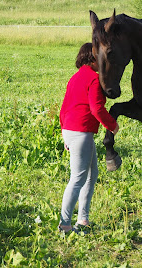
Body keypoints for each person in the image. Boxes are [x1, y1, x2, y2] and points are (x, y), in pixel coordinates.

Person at [58, 43, 119, 233]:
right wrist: (112, 125)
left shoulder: (75, 78)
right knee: (77, 179)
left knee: (92, 176)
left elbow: (64, 108)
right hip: (81, 132)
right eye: (98, 57)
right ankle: (65, 225)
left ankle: (83, 219)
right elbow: (96, 108)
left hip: (72, 130)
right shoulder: (93, 79)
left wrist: (64, 134)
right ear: (91, 59)